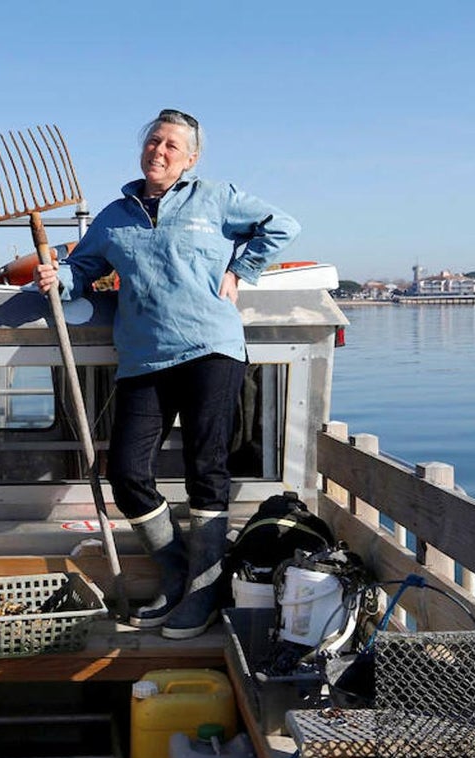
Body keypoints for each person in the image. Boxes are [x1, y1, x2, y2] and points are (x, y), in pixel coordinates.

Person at [34, 109, 300, 639]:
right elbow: (82, 270)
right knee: (127, 475)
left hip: (211, 349)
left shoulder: (216, 197)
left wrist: (239, 270)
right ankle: (179, 571)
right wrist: (55, 277)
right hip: (144, 358)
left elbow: (283, 226)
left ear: (191, 158)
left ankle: (202, 591)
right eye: (154, 141)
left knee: (208, 469)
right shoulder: (114, 216)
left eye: (172, 146)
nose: (159, 151)